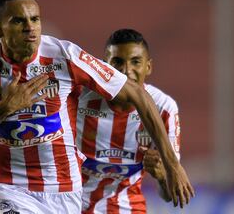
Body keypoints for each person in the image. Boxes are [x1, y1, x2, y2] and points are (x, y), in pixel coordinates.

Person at [0, 0, 193, 214]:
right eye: (18, 21)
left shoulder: (64, 56)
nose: (30, 28)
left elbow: (137, 93)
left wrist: (171, 165)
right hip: (8, 186)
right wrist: (4, 109)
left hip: (63, 189)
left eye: (35, 19)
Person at [76, 28, 181, 213]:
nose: (126, 71)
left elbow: (169, 196)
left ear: (148, 67)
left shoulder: (164, 108)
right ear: (103, 65)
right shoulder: (78, 99)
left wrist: (162, 176)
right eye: (117, 62)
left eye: (135, 62)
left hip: (125, 207)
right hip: (71, 204)